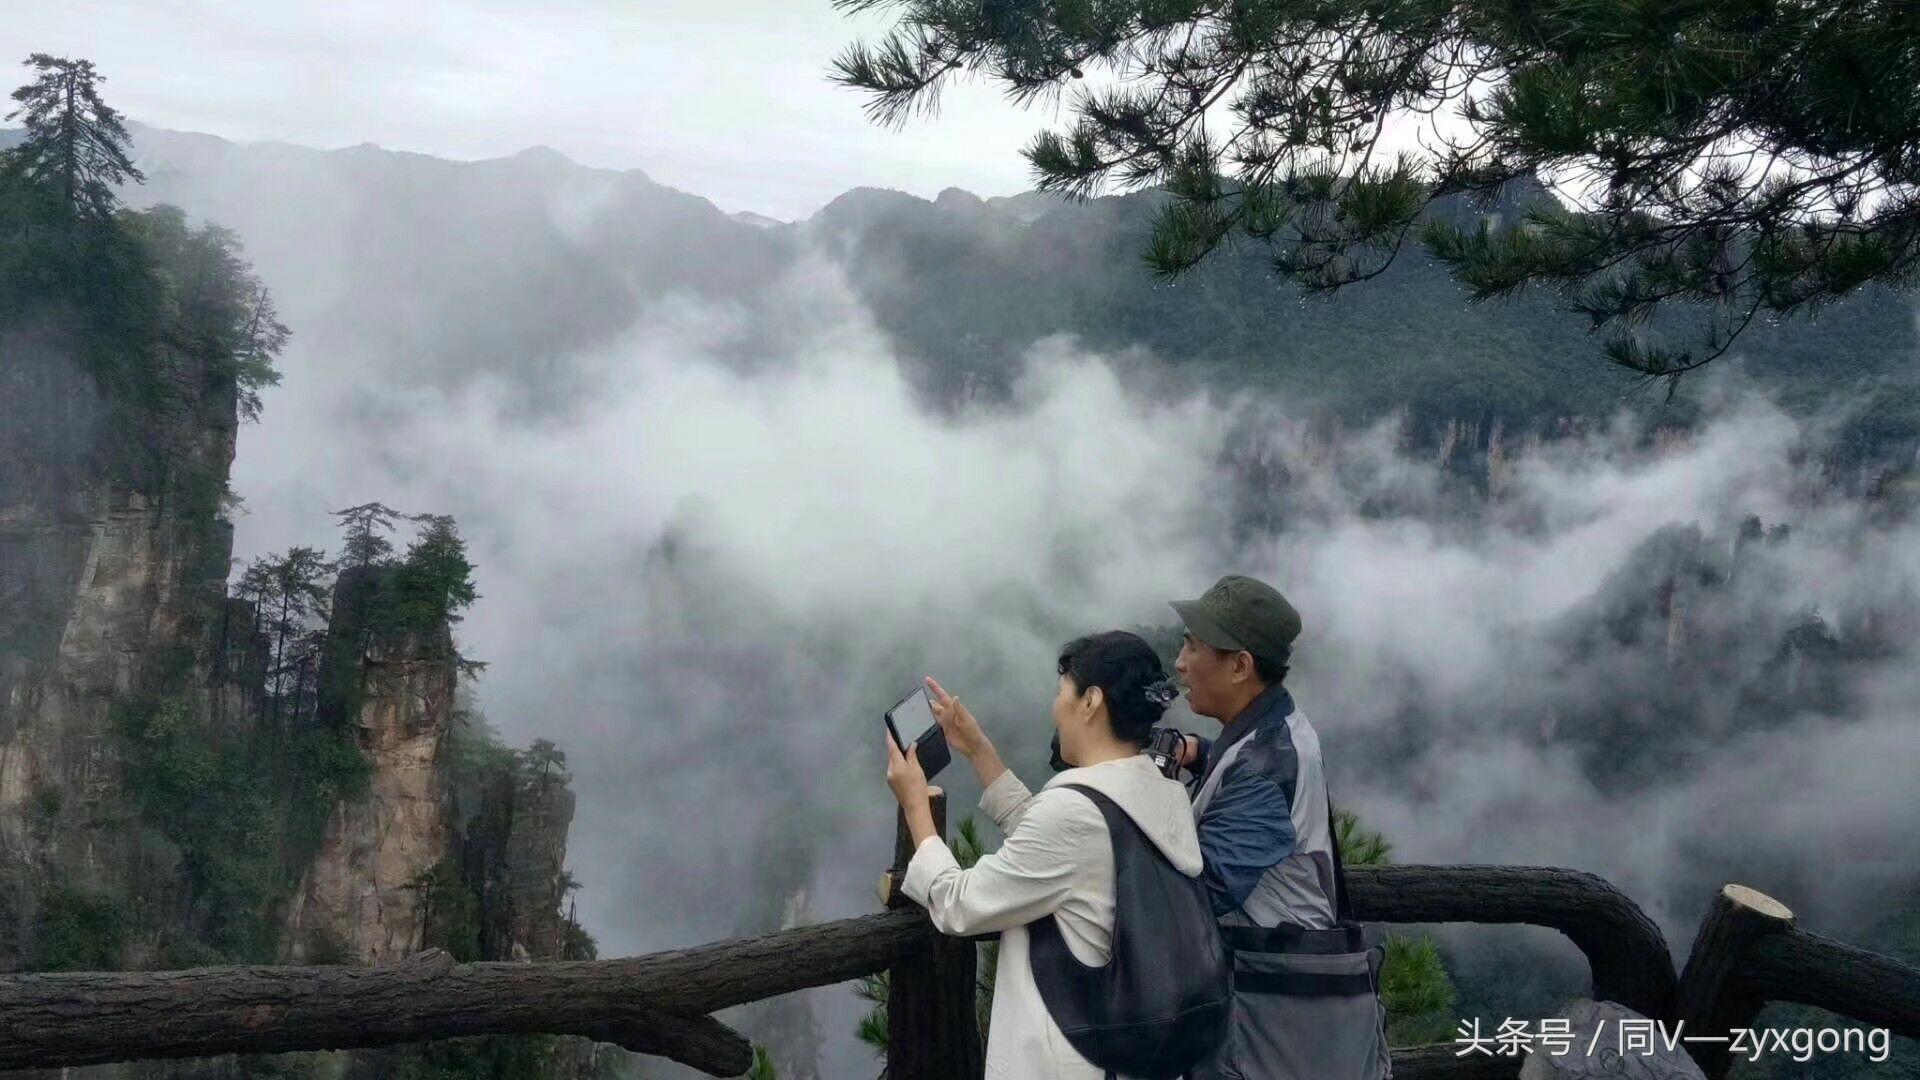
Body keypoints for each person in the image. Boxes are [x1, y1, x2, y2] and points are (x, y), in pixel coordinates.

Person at [883, 631, 1203, 1079]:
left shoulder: (1075, 815)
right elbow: (1057, 851)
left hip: (1062, 1061)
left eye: (1062, 693)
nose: (1056, 708)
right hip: (1121, 1055)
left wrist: (916, 804)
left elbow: (961, 904)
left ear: (1090, 701)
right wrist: (979, 750)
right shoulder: (1160, 793)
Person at [1168, 573, 1391, 1080]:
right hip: (1275, 1000)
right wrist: (1200, 756)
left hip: (1271, 1011)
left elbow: (1201, 892)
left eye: (1194, 646)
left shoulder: (1267, 763)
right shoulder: (1272, 729)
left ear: (1240, 666)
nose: (1180, 662)